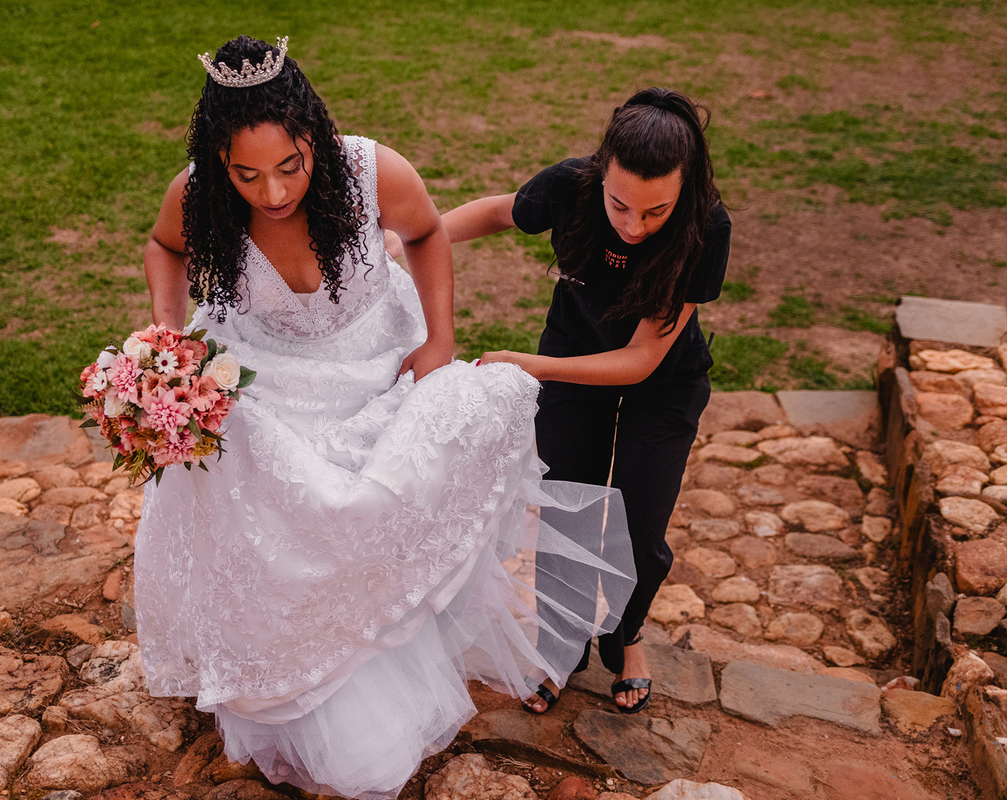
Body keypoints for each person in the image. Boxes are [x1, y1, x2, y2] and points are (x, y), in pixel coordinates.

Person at [133, 36, 635, 799]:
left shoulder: (374, 171)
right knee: (260, 492)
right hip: (265, 372)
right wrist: (170, 339)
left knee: (389, 492)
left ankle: (382, 639)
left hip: (377, 362)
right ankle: (287, 663)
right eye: (247, 175)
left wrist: (440, 339)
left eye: (290, 166)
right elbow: (163, 246)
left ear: (314, 136)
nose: (273, 192)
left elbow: (428, 233)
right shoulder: (195, 192)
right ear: (219, 162)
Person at [436, 88, 730, 714]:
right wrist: (407, 241)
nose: (633, 226)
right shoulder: (569, 187)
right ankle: (560, 650)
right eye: (619, 204)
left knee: (639, 529)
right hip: (573, 357)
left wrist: (533, 365)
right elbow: (496, 212)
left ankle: (627, 638)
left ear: (684, 190)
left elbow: (641, 359)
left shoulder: (706, 226)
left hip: (663, 383)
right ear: (601, 173)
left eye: (655, 212)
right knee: (566, 512)